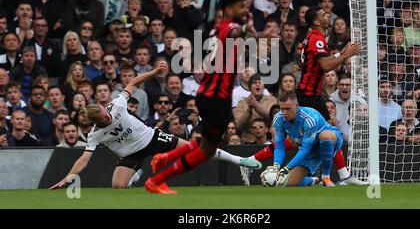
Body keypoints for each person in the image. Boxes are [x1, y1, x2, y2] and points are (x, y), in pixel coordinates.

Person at [49, 61, 261, 190]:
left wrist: (153, 72)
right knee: (116, 188)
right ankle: (136, 173)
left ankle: (241, 160)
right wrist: (68, 178)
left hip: (152, 139)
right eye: (105, 118)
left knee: (197, 149)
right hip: (131, 154)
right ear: (98, 122)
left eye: (107, 112)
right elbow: (84, 159)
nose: (109, 116)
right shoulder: (96, 134)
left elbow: (131, 83)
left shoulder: (117, 104)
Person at [146, 0, 260, 194]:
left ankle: (166, 158)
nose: (245, 10)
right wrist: (250, 30)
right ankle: (157, 181)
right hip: (218, 97)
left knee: (206, 141)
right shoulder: (229, 27)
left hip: (209, 94)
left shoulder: (216, 27)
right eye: (241, 6)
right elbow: (234, 32)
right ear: (228, 8)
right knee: (207, 151)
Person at [270, 91, 342, 187]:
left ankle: (326, 177)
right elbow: (279, 146)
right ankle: (310, 180)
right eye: (282, 109)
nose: (284, 113)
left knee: (325, 136)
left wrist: (287, 168)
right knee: (284, 183)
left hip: (329, 140)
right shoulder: (278, 119)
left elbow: (305, 149)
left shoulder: (309, 118)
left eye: (288, 109)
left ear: (296, 105)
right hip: (311, 150)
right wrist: (276, 166)